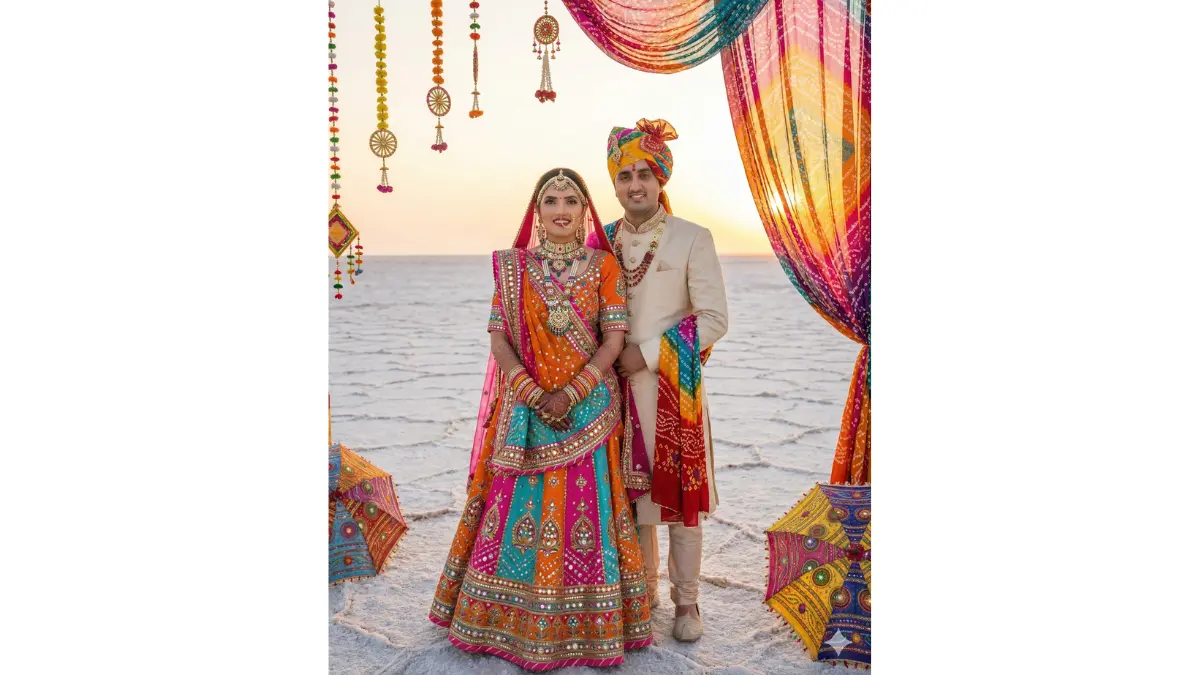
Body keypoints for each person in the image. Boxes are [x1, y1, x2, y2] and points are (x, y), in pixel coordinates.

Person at [429, 167, 653, 670]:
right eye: (549, 200)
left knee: (587, 512)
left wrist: (573, 392)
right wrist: (531, 393)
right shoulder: (515, 268)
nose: (559, 209)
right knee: (514, 509)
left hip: (588, 412)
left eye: (569, 201)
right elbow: (499, 337)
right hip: (527, 410)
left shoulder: (604, 266)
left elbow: (613, 340)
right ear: (537, 211)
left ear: (583, 211)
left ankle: (588, 624)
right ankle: (504, 620)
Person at [592, 119, 729, 642]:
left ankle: (686, 604)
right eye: (624, 174)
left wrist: (645, 355)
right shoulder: (600, 240)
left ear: (660, 178)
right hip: (608, 394)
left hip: (672, 391)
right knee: (631, 504)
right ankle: (640, 593)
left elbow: (714, 318)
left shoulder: (693, 238)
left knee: (678, 505)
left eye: (644, 173)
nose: (634, 184)